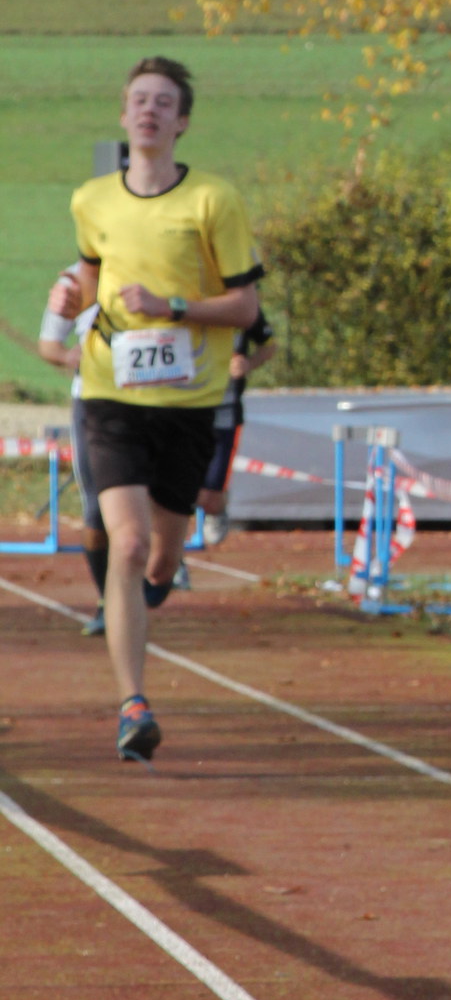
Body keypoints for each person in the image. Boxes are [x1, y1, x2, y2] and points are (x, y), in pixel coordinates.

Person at [46, 58, 263, 762]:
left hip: (189, 402)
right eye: (138, 100)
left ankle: (157, 585)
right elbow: (91, 283)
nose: (149, 111)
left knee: (161, 558)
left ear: (182, 122)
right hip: (110, 396)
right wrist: (68, 303)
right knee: (129, 543)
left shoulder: (212, 200)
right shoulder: (91, 200)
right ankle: (133, 706)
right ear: (122, 115)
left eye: (163, 103)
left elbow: (246, 307)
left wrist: (172, 307)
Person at [36, 266, 107, 636]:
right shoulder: (74, 280)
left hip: (153, 403)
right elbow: (48, 344)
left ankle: (162, 567)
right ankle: (108, 599)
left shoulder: (158, 265)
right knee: (96, 509)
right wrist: (67, 357)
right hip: (94, 404)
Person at [193, 309, 276, 548]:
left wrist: (248, 363)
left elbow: (269, 346)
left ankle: (216, 509)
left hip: (225, 412)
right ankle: (172, 557)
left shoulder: (243, 308)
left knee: (209, 496)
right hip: (186, 408)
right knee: (177, 490)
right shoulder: (188, 304)